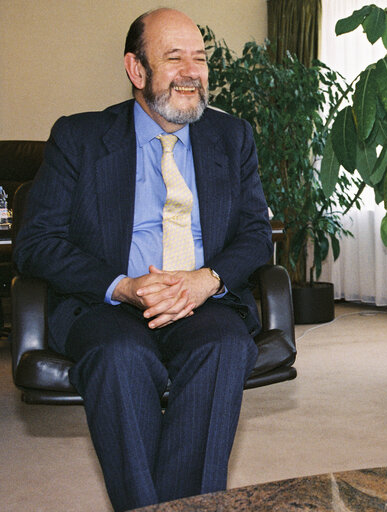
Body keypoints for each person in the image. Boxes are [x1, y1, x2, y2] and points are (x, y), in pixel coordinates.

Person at [13, 8, 272, 511]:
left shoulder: (232, 137)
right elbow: (37, 241)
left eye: (200, 59)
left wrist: (207, 279)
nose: (192, 72)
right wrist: (123, 286)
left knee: (225, 346)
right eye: (174, 58)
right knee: (119, 357)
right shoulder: (79, 137)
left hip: (206, 302)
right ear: (136, 70)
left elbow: (257, 234)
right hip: (108, 305)